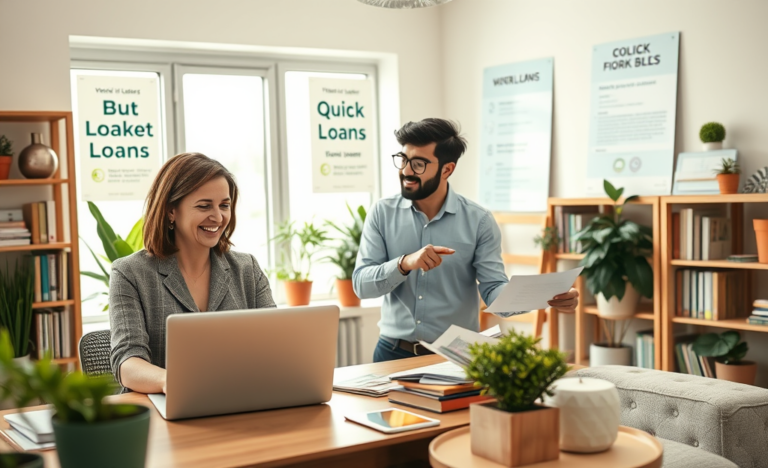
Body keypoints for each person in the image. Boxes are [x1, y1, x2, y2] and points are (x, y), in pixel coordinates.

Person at [352, 118, 579, 362]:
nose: (407, 171)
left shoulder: (479, 221)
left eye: (418, 164)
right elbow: (361, 286)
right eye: (404, 159)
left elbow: (493, 291)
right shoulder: (382, 213)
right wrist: (404, 264)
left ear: (447, 169)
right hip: (391, 354)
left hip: (455, 357)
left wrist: (547, 295)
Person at [109, 152, 275, 393]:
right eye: (204, 206)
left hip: (237, 402)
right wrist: (175, 382)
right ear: (170, 211)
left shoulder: (247, 269)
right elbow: (128, 362)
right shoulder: (130, 273)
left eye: (224, 205)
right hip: (162, 411)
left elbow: (273, 347)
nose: (218, 217)